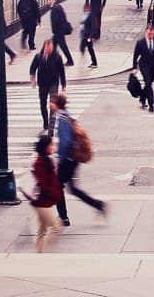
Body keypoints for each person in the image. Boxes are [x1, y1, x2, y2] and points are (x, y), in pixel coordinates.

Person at [52, 93, 106, 225]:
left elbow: (65, 142)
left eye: (51, 102)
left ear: (56, 104)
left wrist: (60, 159)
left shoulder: (62, 119)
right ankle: (98, 205)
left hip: (67, 159)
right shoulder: (67, 115)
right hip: (73, 159)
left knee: (57, 186)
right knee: (72, 188)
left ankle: (63, 217)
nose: (50, 104)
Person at [28, 134, 63, 252]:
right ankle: (48, 254)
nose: (53, 147)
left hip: (44, 201)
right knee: (56, 227)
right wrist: (55, 194)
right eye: (51, 145)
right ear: (46, 146)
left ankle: (40, 254)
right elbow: (43, 185)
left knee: (42, 230)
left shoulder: (46, 159)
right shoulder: (40, 163)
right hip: (41, 203)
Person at [30, 39, 67, 132]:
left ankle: (51, 127)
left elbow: (62, 71)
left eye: (51, 47)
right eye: (47, 47)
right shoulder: (39, 56)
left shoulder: (57, 57)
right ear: (44, 47)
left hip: (53, 83)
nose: (49, 49)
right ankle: (45, 121)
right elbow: (32, 68)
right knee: (42, 104)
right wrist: (32, 78)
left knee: (52, 104)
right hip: (42, 83)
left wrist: (63, 84)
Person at [133, 26, 154, 111]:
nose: (151, 36)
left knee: (148, 84)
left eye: (152, 34)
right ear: (146, 33)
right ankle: (151, 104)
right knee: (147, 83)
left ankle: (142, 98)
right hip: (144, 66)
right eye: (149, 34)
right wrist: (134, 67)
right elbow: (135, 56)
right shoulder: (140, 43)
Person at [48, 0, 75, 67]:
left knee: (63, 46)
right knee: (53, 46)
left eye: (49, 0)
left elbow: (56, 20)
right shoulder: (58, 6)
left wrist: (56, 30)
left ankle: (70, 61)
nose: (48, 1)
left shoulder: (55, 9)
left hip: (58, 32)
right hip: (59, 31)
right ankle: (52, 60)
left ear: (53, 0)